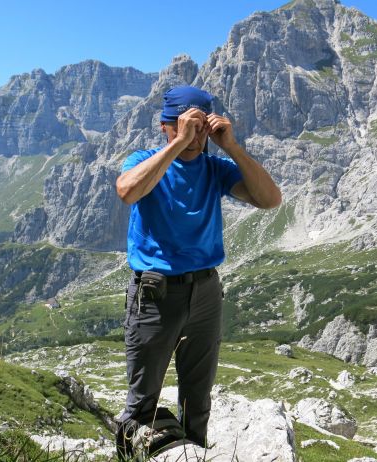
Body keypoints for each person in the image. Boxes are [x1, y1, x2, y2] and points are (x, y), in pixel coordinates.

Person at [114, 86, 282, 457]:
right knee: (143, 399)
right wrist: (178, 144)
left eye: (201, 127)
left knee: (198, 399)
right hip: (155, 293)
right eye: (186, 125)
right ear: (165, 126)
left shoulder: (215, 168)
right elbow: (127, 190)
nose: (196, 136)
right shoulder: (143, 160)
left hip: (206, 291)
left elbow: (271, 200)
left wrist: (232, 147)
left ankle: (195, 452)